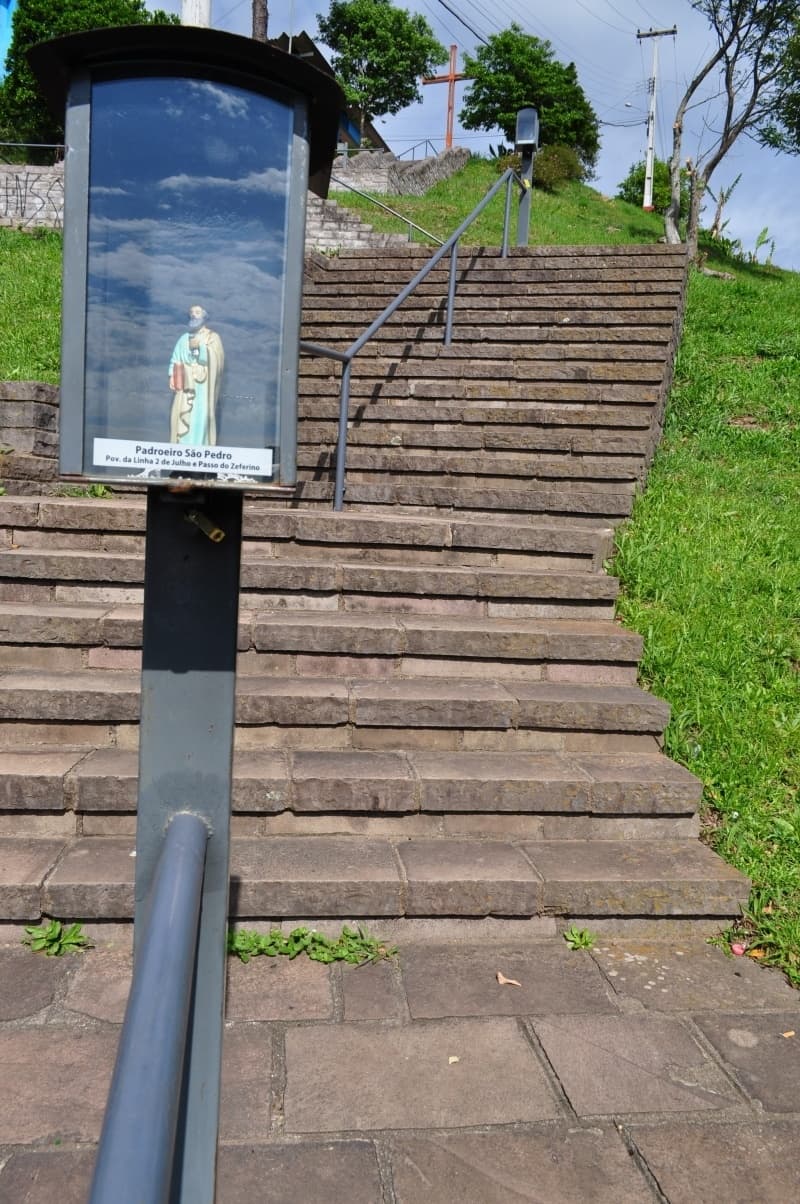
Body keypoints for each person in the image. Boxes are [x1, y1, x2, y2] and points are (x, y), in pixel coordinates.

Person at [168, 305, 224, 445]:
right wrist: (172, 376)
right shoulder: (183, 339)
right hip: (185, 386)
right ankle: (183, 447)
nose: (193, 315)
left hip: (203, 387)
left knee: (201, 416)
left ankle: (200, 447)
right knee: (182, 415)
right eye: (191, 312)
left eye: (197, 312)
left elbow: (217, 361)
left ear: (204, 316)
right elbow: (175, 359)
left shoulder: (212, 337)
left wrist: (200, 348)